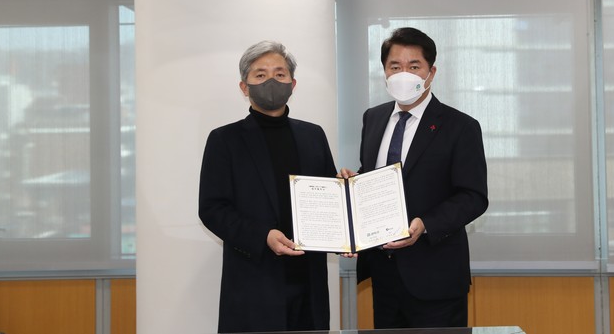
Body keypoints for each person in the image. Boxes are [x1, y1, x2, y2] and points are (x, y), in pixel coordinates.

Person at [341, 27, 488, 328]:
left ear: (431, 73)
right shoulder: (373, 118)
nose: (403, 74)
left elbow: (473, 196)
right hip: (384, 276)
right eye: (395, 66)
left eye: (414, 66)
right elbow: (375, 177)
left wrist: (425, 224)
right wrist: (352, 186)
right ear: (384, 71)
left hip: (436, 279)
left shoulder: (460, 126)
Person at [198, 40, 337, 333]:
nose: (271, 81)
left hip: (309, 283)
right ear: (244, 87)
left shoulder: (313, 135)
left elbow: (329, 199)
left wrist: (346, 215)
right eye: (260, 75)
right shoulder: (225, 140)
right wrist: (263, 236)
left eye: (279, 74)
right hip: (254, 283)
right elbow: (212, 209)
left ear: (293, 84)